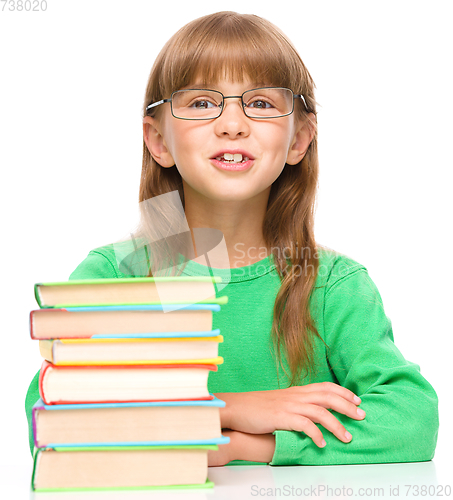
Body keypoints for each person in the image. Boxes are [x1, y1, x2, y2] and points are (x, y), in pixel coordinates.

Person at [25, 11, 438, 466]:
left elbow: (412, 418)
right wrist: (232, 408)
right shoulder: (115, 274)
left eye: (260, 103)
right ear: (157, 140)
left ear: (299, 140)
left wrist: (250, 446)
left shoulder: (334, 286)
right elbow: (51, 413)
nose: (232, 124)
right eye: (202, 102)